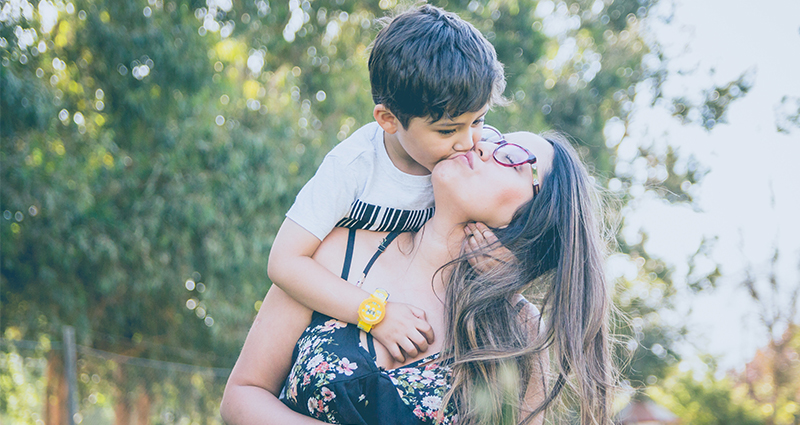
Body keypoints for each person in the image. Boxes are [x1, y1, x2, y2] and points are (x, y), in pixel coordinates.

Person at [221, 129, 614, 425]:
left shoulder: (521, 334)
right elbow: (241, 397)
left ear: (535, 215)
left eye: (511, 154)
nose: (480, 143)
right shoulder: (335, 251)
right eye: (492, 135)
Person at [267, 4, 507, 364]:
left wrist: (505, 258)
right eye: (447, 130)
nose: (469, 142)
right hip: (342, 326)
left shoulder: (480, 151)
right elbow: (284, 262)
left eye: (479, 120)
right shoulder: (352, 168)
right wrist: (375, 314)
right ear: (389, 119)